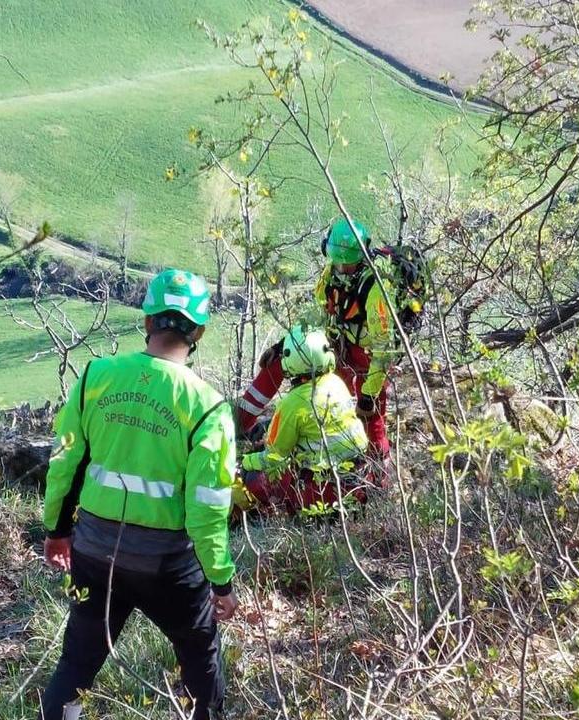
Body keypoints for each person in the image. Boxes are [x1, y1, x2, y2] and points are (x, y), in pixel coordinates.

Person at [40, 269, 238, 720]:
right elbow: (207, 511)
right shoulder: (207, 406)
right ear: (200, 331)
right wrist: (221, 581)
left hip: (93, 551)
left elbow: (65, 465)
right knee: (201, 665)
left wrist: (56, 531)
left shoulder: (96, 376)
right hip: (168, 565)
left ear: (148, 321)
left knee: (77, 663)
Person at [236, 218, 405, 460]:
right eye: (337, 261)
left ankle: (379, 476)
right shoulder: (331, 273)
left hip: (368, 356)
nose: (342, 267)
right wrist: (285, 345)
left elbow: (383, 348)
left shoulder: (375, 288)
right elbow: (316, 316)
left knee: (371, 417)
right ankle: (241, 421)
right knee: (278, 362)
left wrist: (368, 395)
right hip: (337, 344)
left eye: (348, 264)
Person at [238, 326, 370, 514]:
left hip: (323, 494)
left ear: (289, 360)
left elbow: (274, 458)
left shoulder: (292, 404)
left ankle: (284, 512)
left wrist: (246, 462)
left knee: (254, 477)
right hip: (359, 483)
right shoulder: (338, 383)